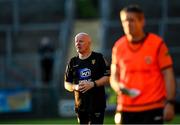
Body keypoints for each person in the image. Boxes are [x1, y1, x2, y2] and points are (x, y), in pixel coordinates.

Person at [110, 4, 176, 124]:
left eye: (132, 20)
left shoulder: (157, 44)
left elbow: (168, 74)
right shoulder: (118, 46)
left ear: (142, 21)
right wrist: (117, 87)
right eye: (125, 20)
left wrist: (170, 102)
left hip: (153, 107)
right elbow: (114, 76)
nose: (128, 24)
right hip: (126, 108)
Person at [64, 32, 110, 124]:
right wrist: (75, 87)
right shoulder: (72, 62)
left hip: (97, 104)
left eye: (81, 41)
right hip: (80, 106)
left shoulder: (99, 58)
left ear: (89, 43)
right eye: (76, 42)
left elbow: (108, 77)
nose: (77, 44)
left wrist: (93, 84)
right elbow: (66, 84)